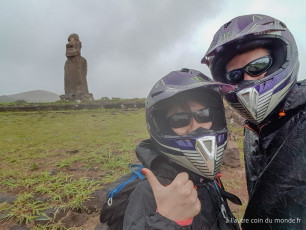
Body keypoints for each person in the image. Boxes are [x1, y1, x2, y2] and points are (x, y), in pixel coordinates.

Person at [100, 68, 240, 229]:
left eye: (204, 114)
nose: (196, 126)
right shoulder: (150, 191)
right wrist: (167, 220)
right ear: (165, 127)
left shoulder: (204, 175)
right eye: (180, 119)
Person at [202, 14, 306, 229]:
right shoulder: (253, 127)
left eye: (258, 66)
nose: (247, 79)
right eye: (234, 76)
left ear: (279, 58)